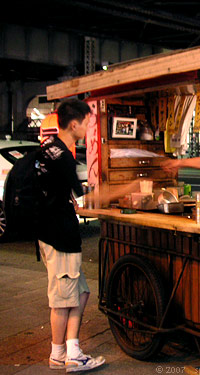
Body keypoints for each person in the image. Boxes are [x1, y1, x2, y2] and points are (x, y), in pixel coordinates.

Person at [36, 99, 106, 372]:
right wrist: (115, 190)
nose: (89, 126)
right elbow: (84, 196)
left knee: (81, 294)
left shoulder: (48, 149)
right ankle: (60, 354)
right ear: (74, 124)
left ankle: (72, 349)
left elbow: (57, 193)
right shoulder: (63, 156)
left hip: (52, 233)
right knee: (63, 300)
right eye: (87, 122)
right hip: (59, 236)